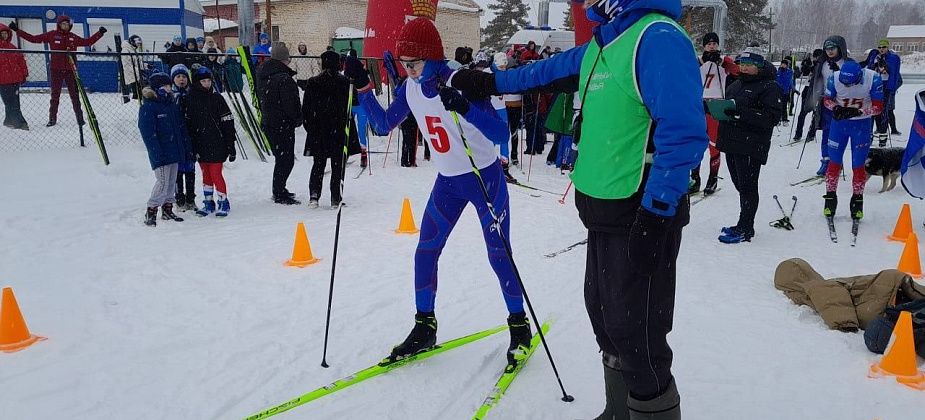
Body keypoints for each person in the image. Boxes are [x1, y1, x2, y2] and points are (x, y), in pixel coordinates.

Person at [448, 0, 710, 417]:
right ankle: (618, 410)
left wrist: (657, 215)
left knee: (638, 334)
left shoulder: (657, 38)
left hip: (641, 211)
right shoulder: (604, 41)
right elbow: (541, 72)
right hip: (603, 211)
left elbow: (684, 136)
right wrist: (490, 82)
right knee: (606, 319)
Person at [344, 18, 533, 371]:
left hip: (484, 179)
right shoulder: (411, 88)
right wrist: (363, 88)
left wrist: (464, 106)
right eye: (405, 64)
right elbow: (384, 125)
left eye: (414, 64)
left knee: (498, 254)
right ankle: (424, 325)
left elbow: (499, 131)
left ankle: (519, 326)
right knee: (425, 251)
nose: (409, 71)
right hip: (448, 182)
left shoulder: (460, 80)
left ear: (431, 57)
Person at [715, 49, 783, 244]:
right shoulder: (736, 84)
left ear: (759, 66)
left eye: (748, 64)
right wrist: (716, 109)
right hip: (732, 142)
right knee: (739, 185)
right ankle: (743, 223)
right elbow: (729, 106)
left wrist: (740, 114)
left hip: (751, 145)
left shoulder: (769, 87)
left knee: (748, 187)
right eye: (742, 63)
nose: (743, 67)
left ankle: (746, 227)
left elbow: (771, 117)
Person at [9, 16, 105, 126]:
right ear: (59, 25)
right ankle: (52, 119)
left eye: (67, 24)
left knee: (75, 96)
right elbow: (33, 39)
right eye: (63, 24)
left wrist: (99, 33)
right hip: (56, 70)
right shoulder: (52, 35)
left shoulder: (72, 37)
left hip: (71, 71)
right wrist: (17, 30)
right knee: (55, 96)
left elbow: (87, 42)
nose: (65, 26)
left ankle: (80, 118)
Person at [822, 59, 883, 221]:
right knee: (834, 162)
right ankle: (830, 199)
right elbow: (827, 99)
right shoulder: (834, 78)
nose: (847, 87)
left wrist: (858, 112)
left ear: (859, 77)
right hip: (839, 125)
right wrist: (835, 108)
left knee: (858, 165)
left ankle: (857, 201)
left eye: (850, 84)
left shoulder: (872, 77)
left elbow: (878, 107)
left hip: (861, 126)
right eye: (845, 84)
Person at [302, 51, 361, 208]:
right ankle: (336, 197)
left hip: (319, 131)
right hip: (338, 131)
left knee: (318, 164)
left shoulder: (313, 83)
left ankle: (314, 195)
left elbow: (306, 109)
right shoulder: (346, 83)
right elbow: (354, 102)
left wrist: (310, 127)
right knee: (337, 165)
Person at [138, 72, 191, 226]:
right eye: (167, 86)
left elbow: (180, 129)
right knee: (162, 181)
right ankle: (151, 209)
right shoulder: (149, 107)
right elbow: (148, 133)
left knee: (171, 181)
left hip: (174, 150)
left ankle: (167, 209)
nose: (170, 88)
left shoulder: (171, 105)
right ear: (159, 88)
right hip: (161, 152)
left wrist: (184, 149)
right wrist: (156, 151)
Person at [184, 67, 236, 217]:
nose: (206, 84)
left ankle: (223, 201)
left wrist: (230, 145)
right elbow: (189, 124)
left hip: (217, 144)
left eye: (208, 81)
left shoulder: (217, 98)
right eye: (203, 81)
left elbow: (228, 122)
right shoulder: (190, 99)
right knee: (206, 174)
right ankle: (208, 202)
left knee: (216, 174)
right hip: (200, 144)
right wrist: (192, 146)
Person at [692, 31, 738, 195]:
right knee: (696, 143)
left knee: (714, 144)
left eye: (714, 44)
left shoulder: (724, 60)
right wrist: (703, 61)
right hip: (699, 105)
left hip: (716, 105)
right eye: (709, 44)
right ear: (704, 46)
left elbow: (736, 72)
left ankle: (713, 178)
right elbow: (687, 72)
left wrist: (721, 62)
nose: (712, 46)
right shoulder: (697, 60)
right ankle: (694, 178)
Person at [257, 42, 302, 205]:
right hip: (282, 123)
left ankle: (279, 189)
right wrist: (297, 118)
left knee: (281, 158)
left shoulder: (263, 74)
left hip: (270, 122)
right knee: (286, 159)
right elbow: (290, 103)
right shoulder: (284, 79)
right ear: (285, 59)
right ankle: (278, 191)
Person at [809, 36, 848, 176]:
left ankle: (837, 161)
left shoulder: (847, 63)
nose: (829, 51)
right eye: (827, 48)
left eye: (833, 48)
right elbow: (817, 81)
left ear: (840, 48)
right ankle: (826, 160)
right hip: (826, 103)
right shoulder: (822, 63)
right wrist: (813, 97)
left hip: (843, 104)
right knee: (827, 132)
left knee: (839, 134)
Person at [170, 64, 198, 211]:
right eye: (178, 77)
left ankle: (191, 198)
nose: (181, 79)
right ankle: (179, 198)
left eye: (184, 77)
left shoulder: (191, 94)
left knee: (190, 169)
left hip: (190, 137)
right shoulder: (171, 97)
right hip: (176, 139)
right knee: (178, 171)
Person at [865, 39, 903, 146]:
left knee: (883, 114)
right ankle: (869, 137)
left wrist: (885, 66)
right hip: (874, 88)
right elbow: (868, 68)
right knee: (871, 113)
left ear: (887, 47)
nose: (881, 49)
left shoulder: (892, 58)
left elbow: (895, 75)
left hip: (886, 89)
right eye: (880, 47)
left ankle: (883, 139)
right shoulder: (875, 57)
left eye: (884, 47)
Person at [495, 52, 524, 166]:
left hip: (515, 105)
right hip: (506, 106)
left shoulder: (516, 76)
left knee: (514, 131)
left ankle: (513, 155)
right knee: (509, 131)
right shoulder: (503, 76)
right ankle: (508, 156)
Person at [0, 23, 29, 130]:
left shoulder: (13, 47)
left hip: (15, 80)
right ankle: (20, 123)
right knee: (9, 102)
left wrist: (24, 74)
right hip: (3, 81)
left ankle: (9, 121)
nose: (4, 35)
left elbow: (21, 62)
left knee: (15, 102)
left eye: (6, 33)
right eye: (2, 33)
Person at [793, 49, 823, 142]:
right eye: (815, 56)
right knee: (802, 113)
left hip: (817, 91)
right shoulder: (811, 64)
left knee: (815, 114)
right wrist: (805, 66)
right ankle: (798, 134)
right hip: (807, 90)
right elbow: (802, 73)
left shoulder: (823, 66)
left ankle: (811, 134)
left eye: (818, 57)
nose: (816, 58)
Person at [120, 34, 145, 104]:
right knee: (138, 95)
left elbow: (138, 63)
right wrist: (139, 71)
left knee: (142, 93)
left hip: (138, 76)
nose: (138, 45)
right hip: (132, 77)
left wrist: (145, 66)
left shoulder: (133, 50)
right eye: (137, 43)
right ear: (133, 42)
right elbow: (127, 66)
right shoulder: (126, 51)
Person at [776, 58, 794, 125]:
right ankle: (778, 119)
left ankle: (784, 119)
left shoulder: (789, 72)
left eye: (784, 64)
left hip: (785, 92)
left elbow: (789, 81)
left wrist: (793, 88)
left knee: (784, 106)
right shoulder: (778, 72)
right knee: (778, 106)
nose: (783, 65)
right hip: (778, 91)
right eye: (782, 64)